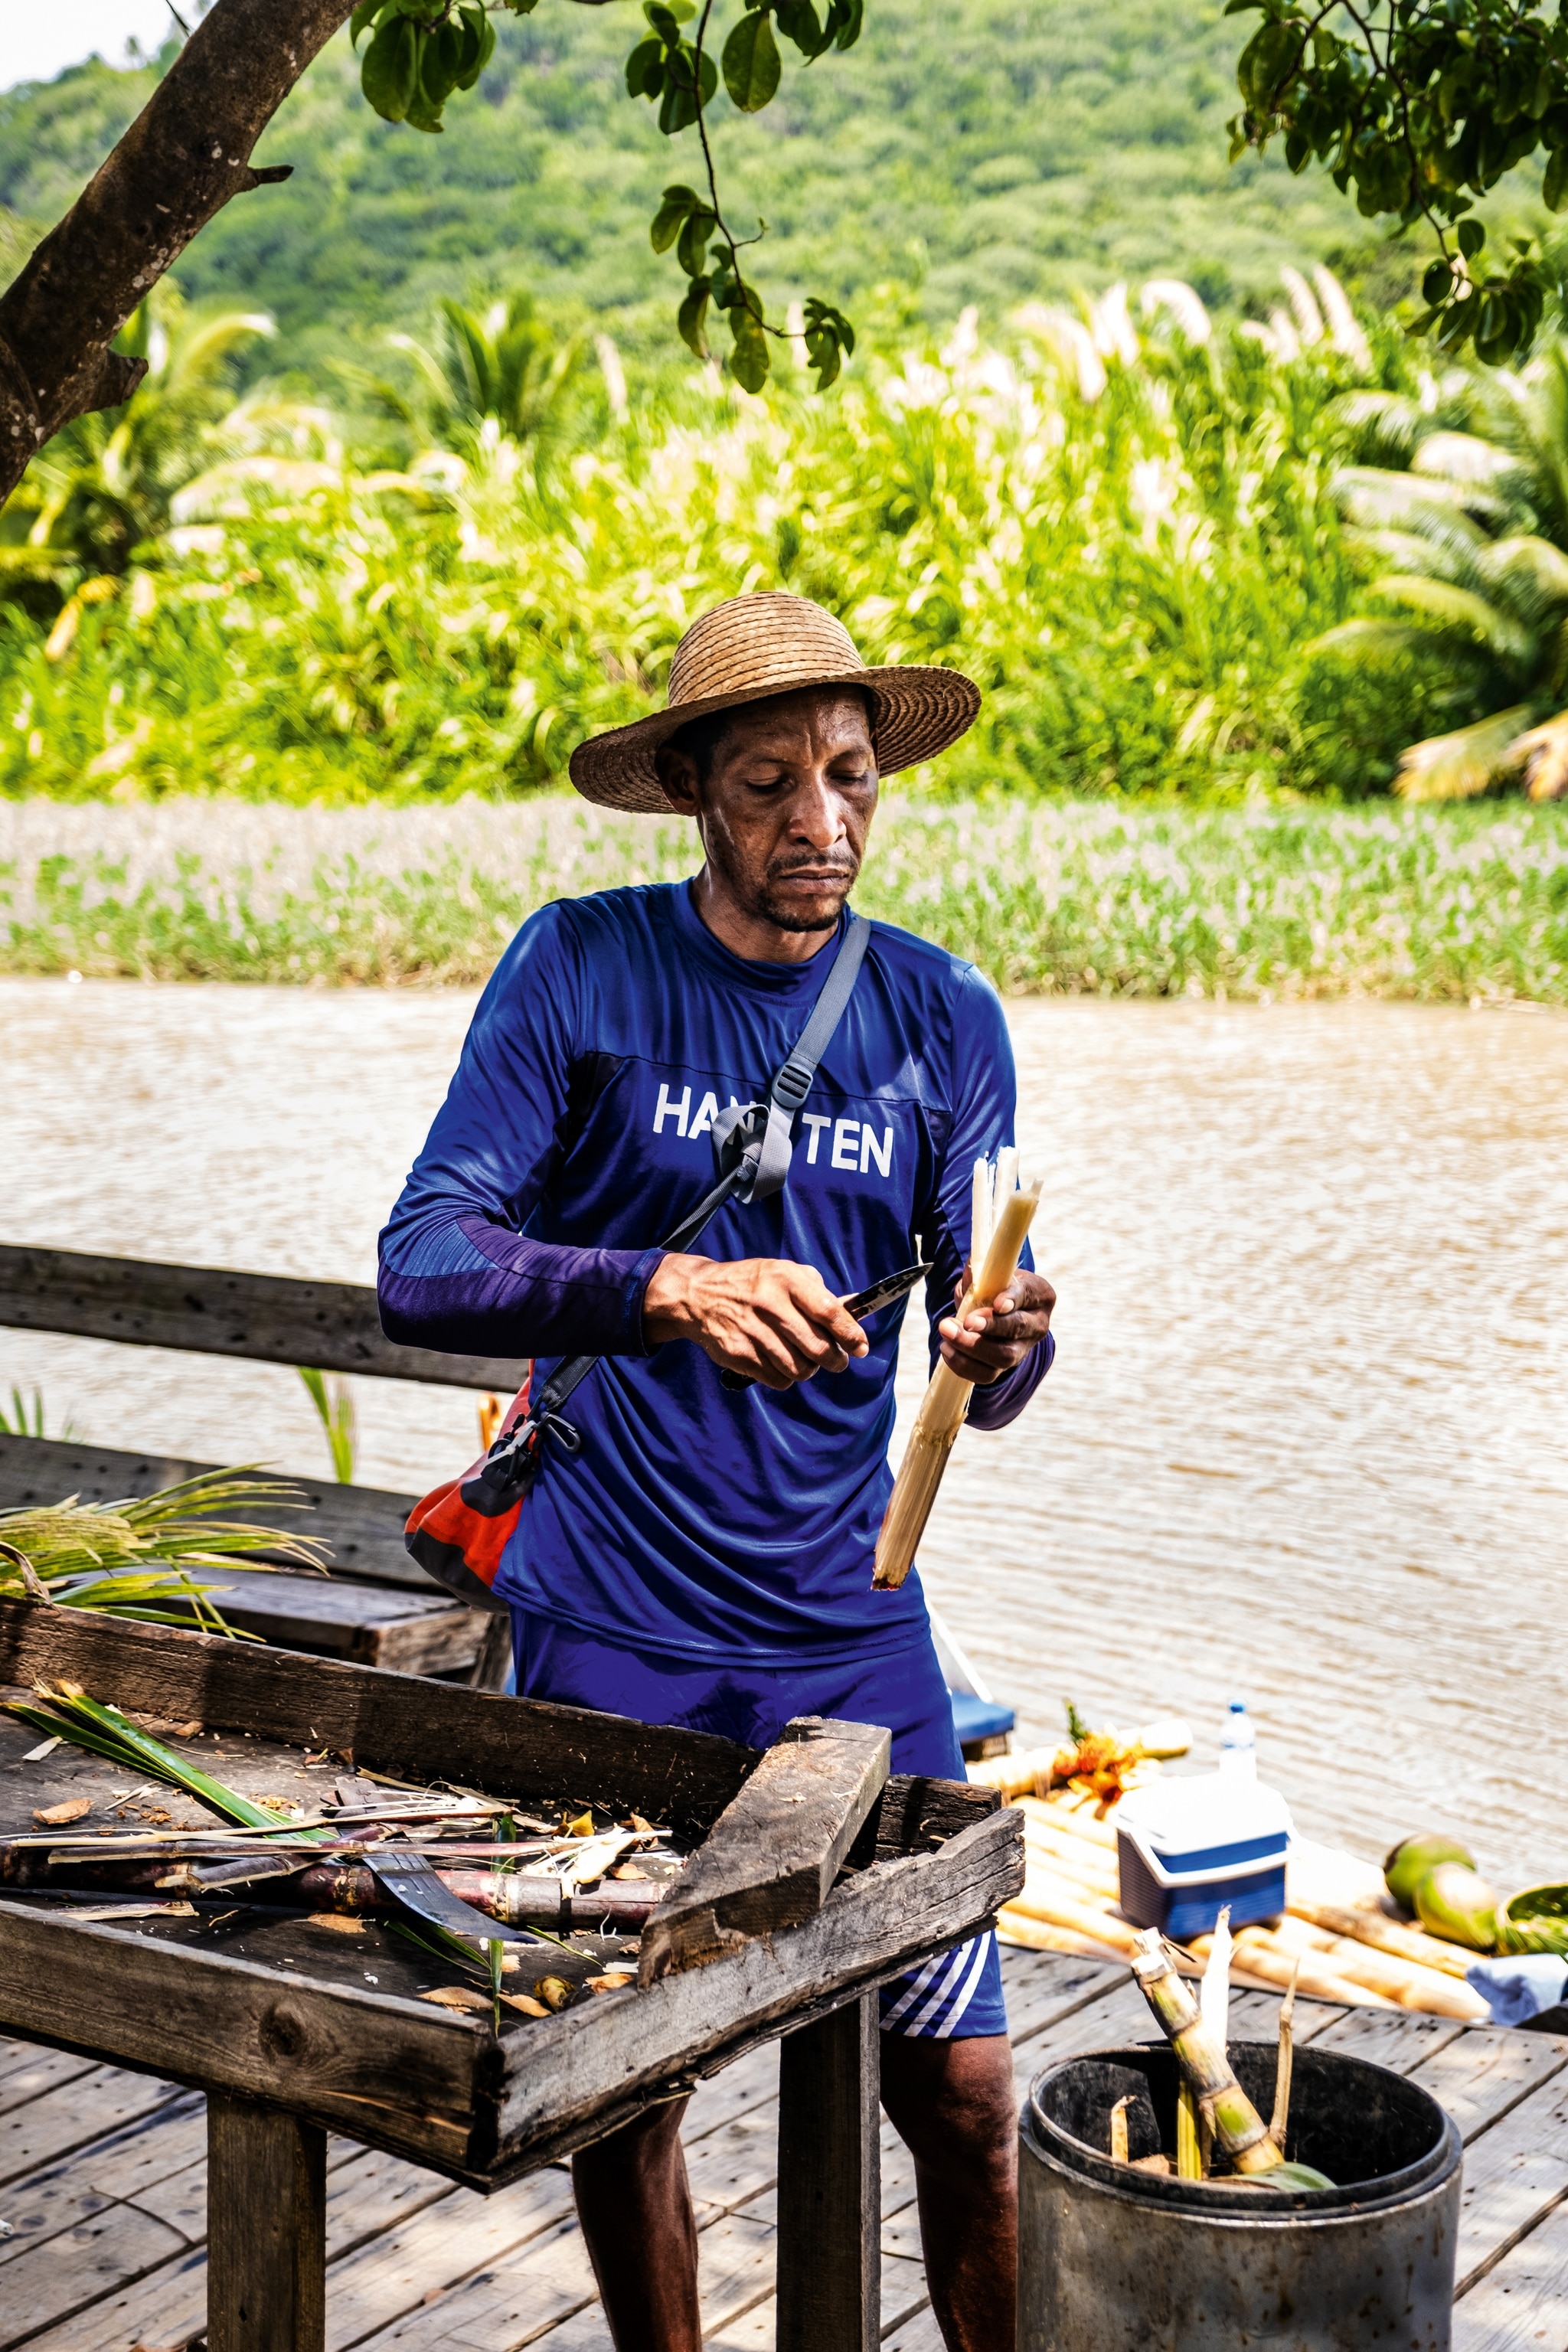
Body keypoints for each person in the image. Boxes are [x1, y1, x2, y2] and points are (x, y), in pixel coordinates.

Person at [378, 591, 1057, 2352]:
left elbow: (984, 1367)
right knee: (632, 2085)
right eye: (767, 785)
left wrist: (1002, 1348)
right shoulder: (582, 968)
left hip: (852, 1626)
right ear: (693, 788)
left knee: (971, 2097)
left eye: (848, 777)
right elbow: (423, 1255)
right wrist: (664, 1286)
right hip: (616, 1614)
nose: (817, 826)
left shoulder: (937, 1017)